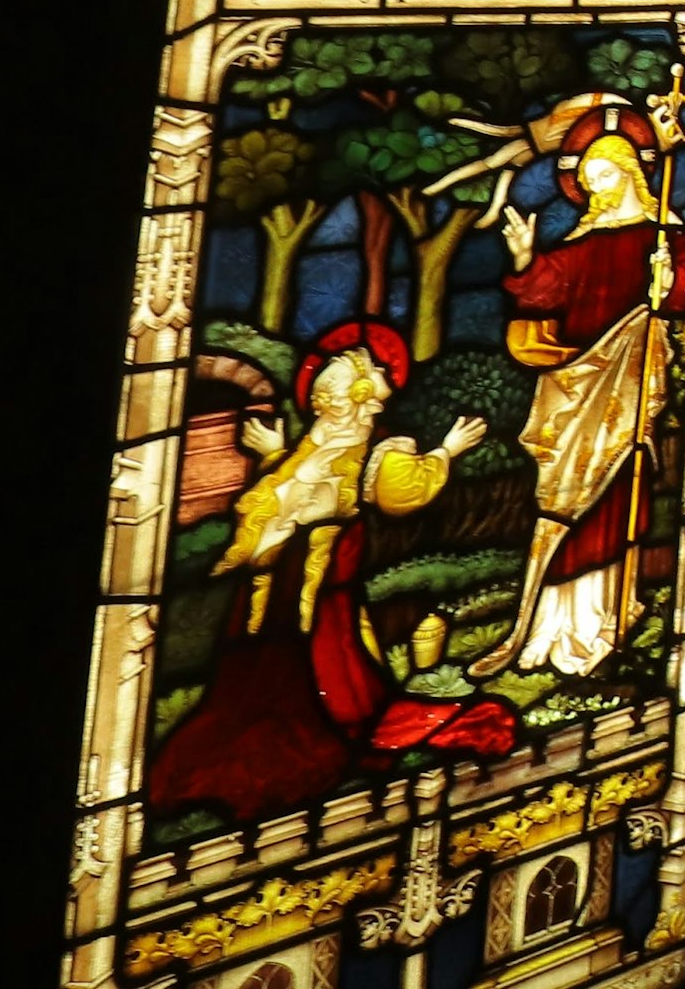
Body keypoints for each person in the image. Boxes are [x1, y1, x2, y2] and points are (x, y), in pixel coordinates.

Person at [145, 324, 506, 829]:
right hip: (272, 586)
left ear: (352, 402)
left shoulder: (377, 450)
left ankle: (308, 735)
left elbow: (402, 494)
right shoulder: (311, 448)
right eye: (324, 400)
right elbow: (285, 496)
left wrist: (445, 451)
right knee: (256, 674)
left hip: (319, 586)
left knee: (317, 674)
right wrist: (273, 454)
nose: (325, 408)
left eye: (332, 399)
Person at [480, 103, 685, 680]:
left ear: (631, 171)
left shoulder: (667, 236)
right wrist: (526, 261)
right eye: (588, 180)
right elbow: (542, 297)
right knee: (563, 498)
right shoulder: (580, 245)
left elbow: (680, 299)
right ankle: (554, 626)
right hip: (574, 385)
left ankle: (606, 619)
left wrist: (667, 279)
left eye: (605, 175)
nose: (595, 188)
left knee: (619, 494)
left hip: (628, 382)